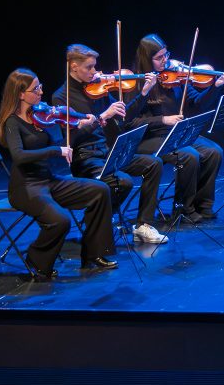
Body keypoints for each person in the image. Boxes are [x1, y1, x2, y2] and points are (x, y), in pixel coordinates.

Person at [0, 68, 115, 279]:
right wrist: (56, 151)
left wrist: (83, 123)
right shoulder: (12, 122)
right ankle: (36, 260)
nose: (41, 92)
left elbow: (62, 139)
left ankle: (95, 254)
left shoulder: (41, 116)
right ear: (21, 94)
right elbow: (19, 156)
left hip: (48, 181)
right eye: (36, 89)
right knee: (61, 221)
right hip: (26, 187)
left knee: (100, 190)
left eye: (40, 86)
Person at [52, 44, 167, 244]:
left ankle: (143, 226)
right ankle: (99, 222)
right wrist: (102, 116)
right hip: (86, 157)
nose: (95, 72)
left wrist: (143, 93)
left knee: (153, 164)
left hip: (108, 152)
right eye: (89, 67)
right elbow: (71, 140)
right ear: (73, 67)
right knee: (123, 181)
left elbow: (125, 116)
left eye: (95, 67)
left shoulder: (99, 89)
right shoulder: (62, 97)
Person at [130, 34, 224, 223]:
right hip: (150, 138)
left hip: (175, 133)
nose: (165, 61)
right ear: (146, 59)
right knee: (189, 156)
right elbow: (131, 122)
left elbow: (198, 103)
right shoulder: (136, 82)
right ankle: (183, 209)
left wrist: (215, 87)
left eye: (165, 55)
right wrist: (163, 119)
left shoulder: (176, 77)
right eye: (159, 58)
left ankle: (203, 205)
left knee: (214, 151)